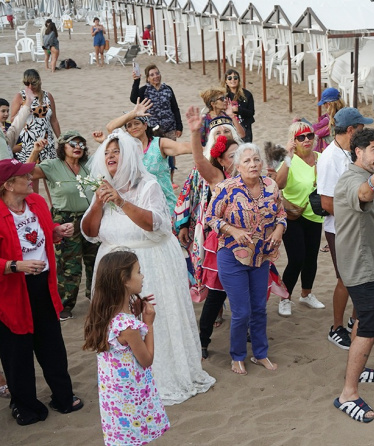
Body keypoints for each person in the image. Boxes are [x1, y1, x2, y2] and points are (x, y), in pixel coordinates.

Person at [81, 131, 215, 403]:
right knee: (116, 326)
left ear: (129, 155)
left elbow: (154, 223)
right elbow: (89, 231)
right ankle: (121, 379)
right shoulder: (101, 188)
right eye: (106, 153)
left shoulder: (147, 185)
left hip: (148, 266)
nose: (110, 157)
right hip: (111, 269)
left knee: (152, 321)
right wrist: (97, 201)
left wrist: (120, 200)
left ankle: (156, 374)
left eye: (116, 152)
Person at [0, 158, 83, 425]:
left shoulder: (36, 203)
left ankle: (63, 395)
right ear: (9, 185)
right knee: (18, 351)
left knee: (52, 345)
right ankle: (24, 405)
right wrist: (14, 266)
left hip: (43, 285)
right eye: (25, 175)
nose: (31, 177)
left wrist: (57, 231)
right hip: (12, 292)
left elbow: (42, 235)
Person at [332, 128, 374, 423]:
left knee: (361, 321)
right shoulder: (352, 180)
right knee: (370, 328)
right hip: (362, 268)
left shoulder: (365, 176)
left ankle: (358, 368)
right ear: (357, 151)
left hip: (370, 264)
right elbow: (364, 192)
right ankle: (348, 393)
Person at [206, 143, 286, 375]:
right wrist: (232, 230)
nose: (253, 164)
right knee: (241, 312)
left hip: (261, 256)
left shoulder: (271, 186)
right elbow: (211, 217)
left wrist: (279, 230)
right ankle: (237, 356)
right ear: (237, 166)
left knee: (259, 308)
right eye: (247, 161)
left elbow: (281, 214)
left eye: (256, 160)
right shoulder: (226, 188)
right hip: (232, 256)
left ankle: (260, 354)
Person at [83, 250, 170, 445]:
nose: (142, 276)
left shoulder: (105, 314)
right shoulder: (128, 327)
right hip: (131, 397)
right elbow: (146, 360)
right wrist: (148, 324)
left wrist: (136, 315)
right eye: (138, 272)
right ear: (124, 280)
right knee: (135, 438)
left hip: (114, 399)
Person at [179, 107, 243, 359]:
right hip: (222, 242)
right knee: (216, 295)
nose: (238, 160)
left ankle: (246, 330)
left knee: (249, 292)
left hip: (249, 241)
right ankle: (203, 340)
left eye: (240, 154)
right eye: (232, 156)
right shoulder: (216, 176)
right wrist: (195, 133)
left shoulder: (252, 176)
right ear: (222, 160)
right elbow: (197, 161)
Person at [317, 107, 374, 350]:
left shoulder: (351, 152)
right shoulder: (331, 157)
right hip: (340, 228)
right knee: (345, 279)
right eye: (361, 128)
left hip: (356, 225)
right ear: (350, 130)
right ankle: (336, 327)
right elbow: (327, 202)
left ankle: (353, 320)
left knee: (359, 276)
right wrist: (356, 214)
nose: (363, 132)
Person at [28, 132, 99, 321]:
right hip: (65, 219)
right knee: (69, 265)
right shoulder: (52, 165)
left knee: (95, 260)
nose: (78, 147)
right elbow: (26, 173)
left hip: (91, 217)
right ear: (62, 147)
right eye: (72, 144)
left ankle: (96, 297)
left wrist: (102, 141)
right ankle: (65, 304)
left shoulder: (90, 164)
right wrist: (36, 151)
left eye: (81, 144)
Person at [273, 121, 326, 316]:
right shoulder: (289, 159)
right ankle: (285, 298)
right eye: (301, 137)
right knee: (296, 258)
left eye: (309, 136)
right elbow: (278, 184)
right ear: (293, 140)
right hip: (292, 215)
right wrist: (287, 157)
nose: (306, 140)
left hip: (315, 214)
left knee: (311, 257)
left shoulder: (321, 158)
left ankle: (306, 294)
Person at [104, 99, 192, 215]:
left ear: (145, 125)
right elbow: (110, 128)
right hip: (140, 207)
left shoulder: (159, 144)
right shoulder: (127, 149)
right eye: (129, 126)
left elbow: (183, 147)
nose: (133, 127)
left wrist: (210, 147)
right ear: (127, 131)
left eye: (137, 123)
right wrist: (133, 114)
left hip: (165, 205)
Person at [130, 64, 185, 184]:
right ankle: (155, 177)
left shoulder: (168, 89)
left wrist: (179, 126)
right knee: (156, 153)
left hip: (170, 127)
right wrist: (136, 81)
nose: (156, 76)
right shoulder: (144, 90)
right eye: (152, 75)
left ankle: (170, 179)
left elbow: (175, 108)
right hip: (153, 128)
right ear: (148, 78)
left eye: (157, 73)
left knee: (171, 153)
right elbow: (133, 98)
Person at [10, 70, 61, 164]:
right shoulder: (20, 96)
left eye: (33, 83)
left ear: (39, 81)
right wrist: (24, 109)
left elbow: (54, 120)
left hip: (46, 140)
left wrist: (61, 140)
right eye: (26, 83)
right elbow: (13, 119)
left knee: (49, 170)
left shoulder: (47, 96)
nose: (30, 87)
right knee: (31, 174)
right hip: (28, 142)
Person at [222, 69, 255, 142]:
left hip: (245, 126)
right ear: (226, 81)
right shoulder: (224, 96)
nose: (233, 80)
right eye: (229, 78)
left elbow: (251, 112)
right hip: (229, 127)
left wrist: (238, 110)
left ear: (238, 80)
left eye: (235, 78)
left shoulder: (247, 94)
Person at [313, 87, 345, 152]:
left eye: (324, 103)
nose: (323, 106)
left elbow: (315, 132)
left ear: (328, 104)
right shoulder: (345, 113)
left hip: (329, 150)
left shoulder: (329, 120)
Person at [1, 94, 30, 161]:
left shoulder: (11, 126)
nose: (6, 114)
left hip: (11, 158)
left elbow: (19, 146)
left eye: (8, 111)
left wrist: (6, 148)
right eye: (3, 111)